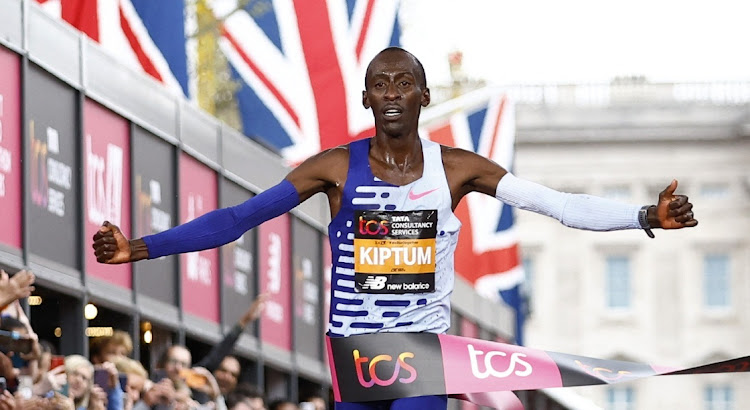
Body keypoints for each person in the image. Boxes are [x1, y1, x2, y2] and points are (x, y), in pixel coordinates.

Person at [92, 47, 698, 409]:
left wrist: (644, 215)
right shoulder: (334, 168)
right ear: (365, 98)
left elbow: (556, 204)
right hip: (354, 353)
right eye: (379, 85)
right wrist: (140, 247)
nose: (391, 94)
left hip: (422, 351)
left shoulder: (458, 169)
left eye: (403, 84)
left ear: (423, 97)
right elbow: (238, 219)